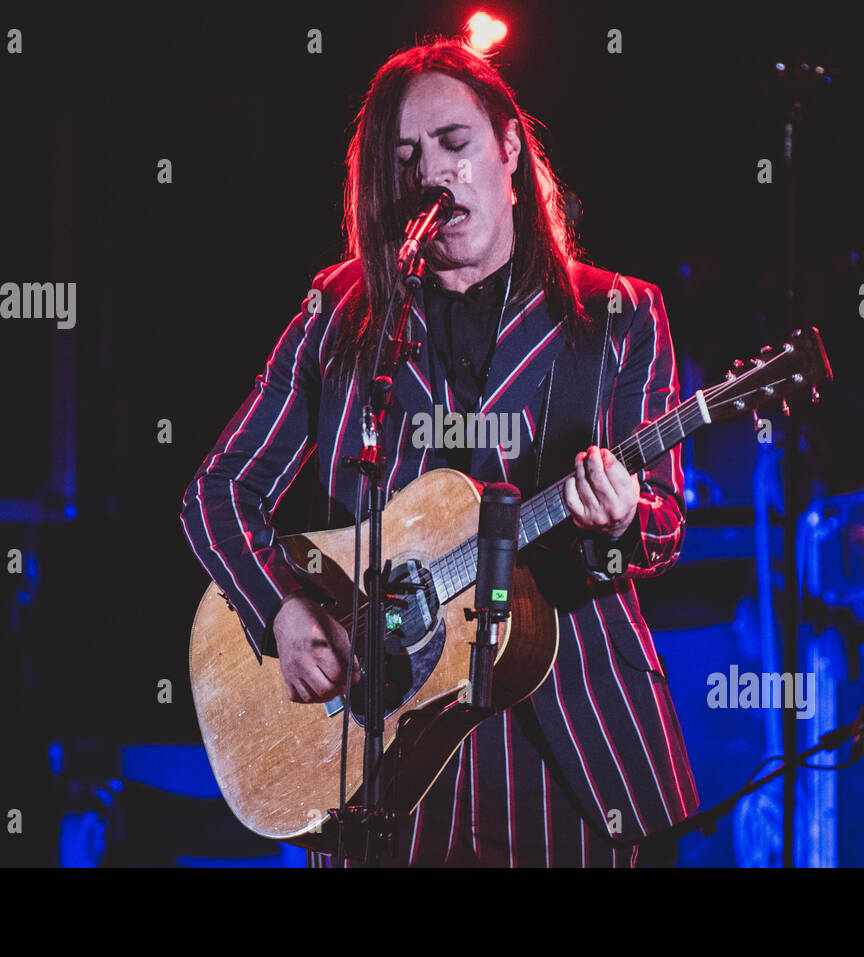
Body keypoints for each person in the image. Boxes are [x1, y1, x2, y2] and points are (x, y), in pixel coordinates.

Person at [180, 38, 699, 867]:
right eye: (407, 157)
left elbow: (667, 528)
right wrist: (281, 609)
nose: (435, 173)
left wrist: (627, 517)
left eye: (455, 143)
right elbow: (217, 492)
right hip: (381, 750)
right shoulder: (341, 313)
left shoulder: (620, 317)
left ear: (510, 151)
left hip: (571, 741)